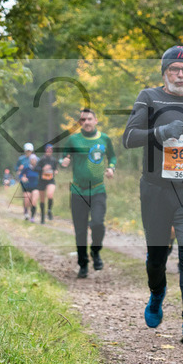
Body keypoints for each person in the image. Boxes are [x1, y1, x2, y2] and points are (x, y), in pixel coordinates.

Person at [122, 46, 183, 345]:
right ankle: (157, 294)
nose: (180, 75)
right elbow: (128, 138)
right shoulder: (148, 97)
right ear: (164, 73)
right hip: (155, 190)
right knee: (157, 258)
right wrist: (160, 131)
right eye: (174, 70)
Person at [60, 109, 117, 278]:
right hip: (78, 190)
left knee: (98, 223)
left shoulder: (104, 138)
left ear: (96, 120)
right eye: (83, 120)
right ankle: (83, 263)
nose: (86, 122)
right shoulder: (73, 139)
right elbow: (64, 155)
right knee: (80, 230)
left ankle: (95, 250)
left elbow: (112, 157)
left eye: (89, 119)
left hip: (98, 189)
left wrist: (111, 168)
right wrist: (64, 160)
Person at [37, 143, 59, 221]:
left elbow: (55, 168)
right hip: (42, 181)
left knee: (50, 195)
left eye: (51, 150)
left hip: (50, 180)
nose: (49, 151)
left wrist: (56, 171)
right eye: (47, 149)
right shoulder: (41, 159)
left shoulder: (54, 160)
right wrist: (43, 168)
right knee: (42, 199)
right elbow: (36, 169)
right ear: (45, 150)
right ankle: (42, 215)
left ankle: (49, 210)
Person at [16, 143, 35, 219]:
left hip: (33, 181)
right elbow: (16, 168)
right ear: (25, 150)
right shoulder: (21, 159)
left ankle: (31, 211)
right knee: (26, 196)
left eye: (29, 151)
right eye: (27, 150)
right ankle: (26, 211)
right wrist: (19, 169)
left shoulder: (35, 159)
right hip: (24, 180)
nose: (28, 152)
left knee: (32, 197)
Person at [19, 155, 40, 221]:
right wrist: (23, 178)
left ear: (36, 160)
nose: (33, 160)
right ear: (30, 160)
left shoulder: (38, 168)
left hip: (36, 187)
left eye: (34, 159)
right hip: (27, 186)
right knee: (26, 200)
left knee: (34, 201)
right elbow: (20, 175)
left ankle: (32, 217)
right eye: (32, 159)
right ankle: (26, 213)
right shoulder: (26, 168)